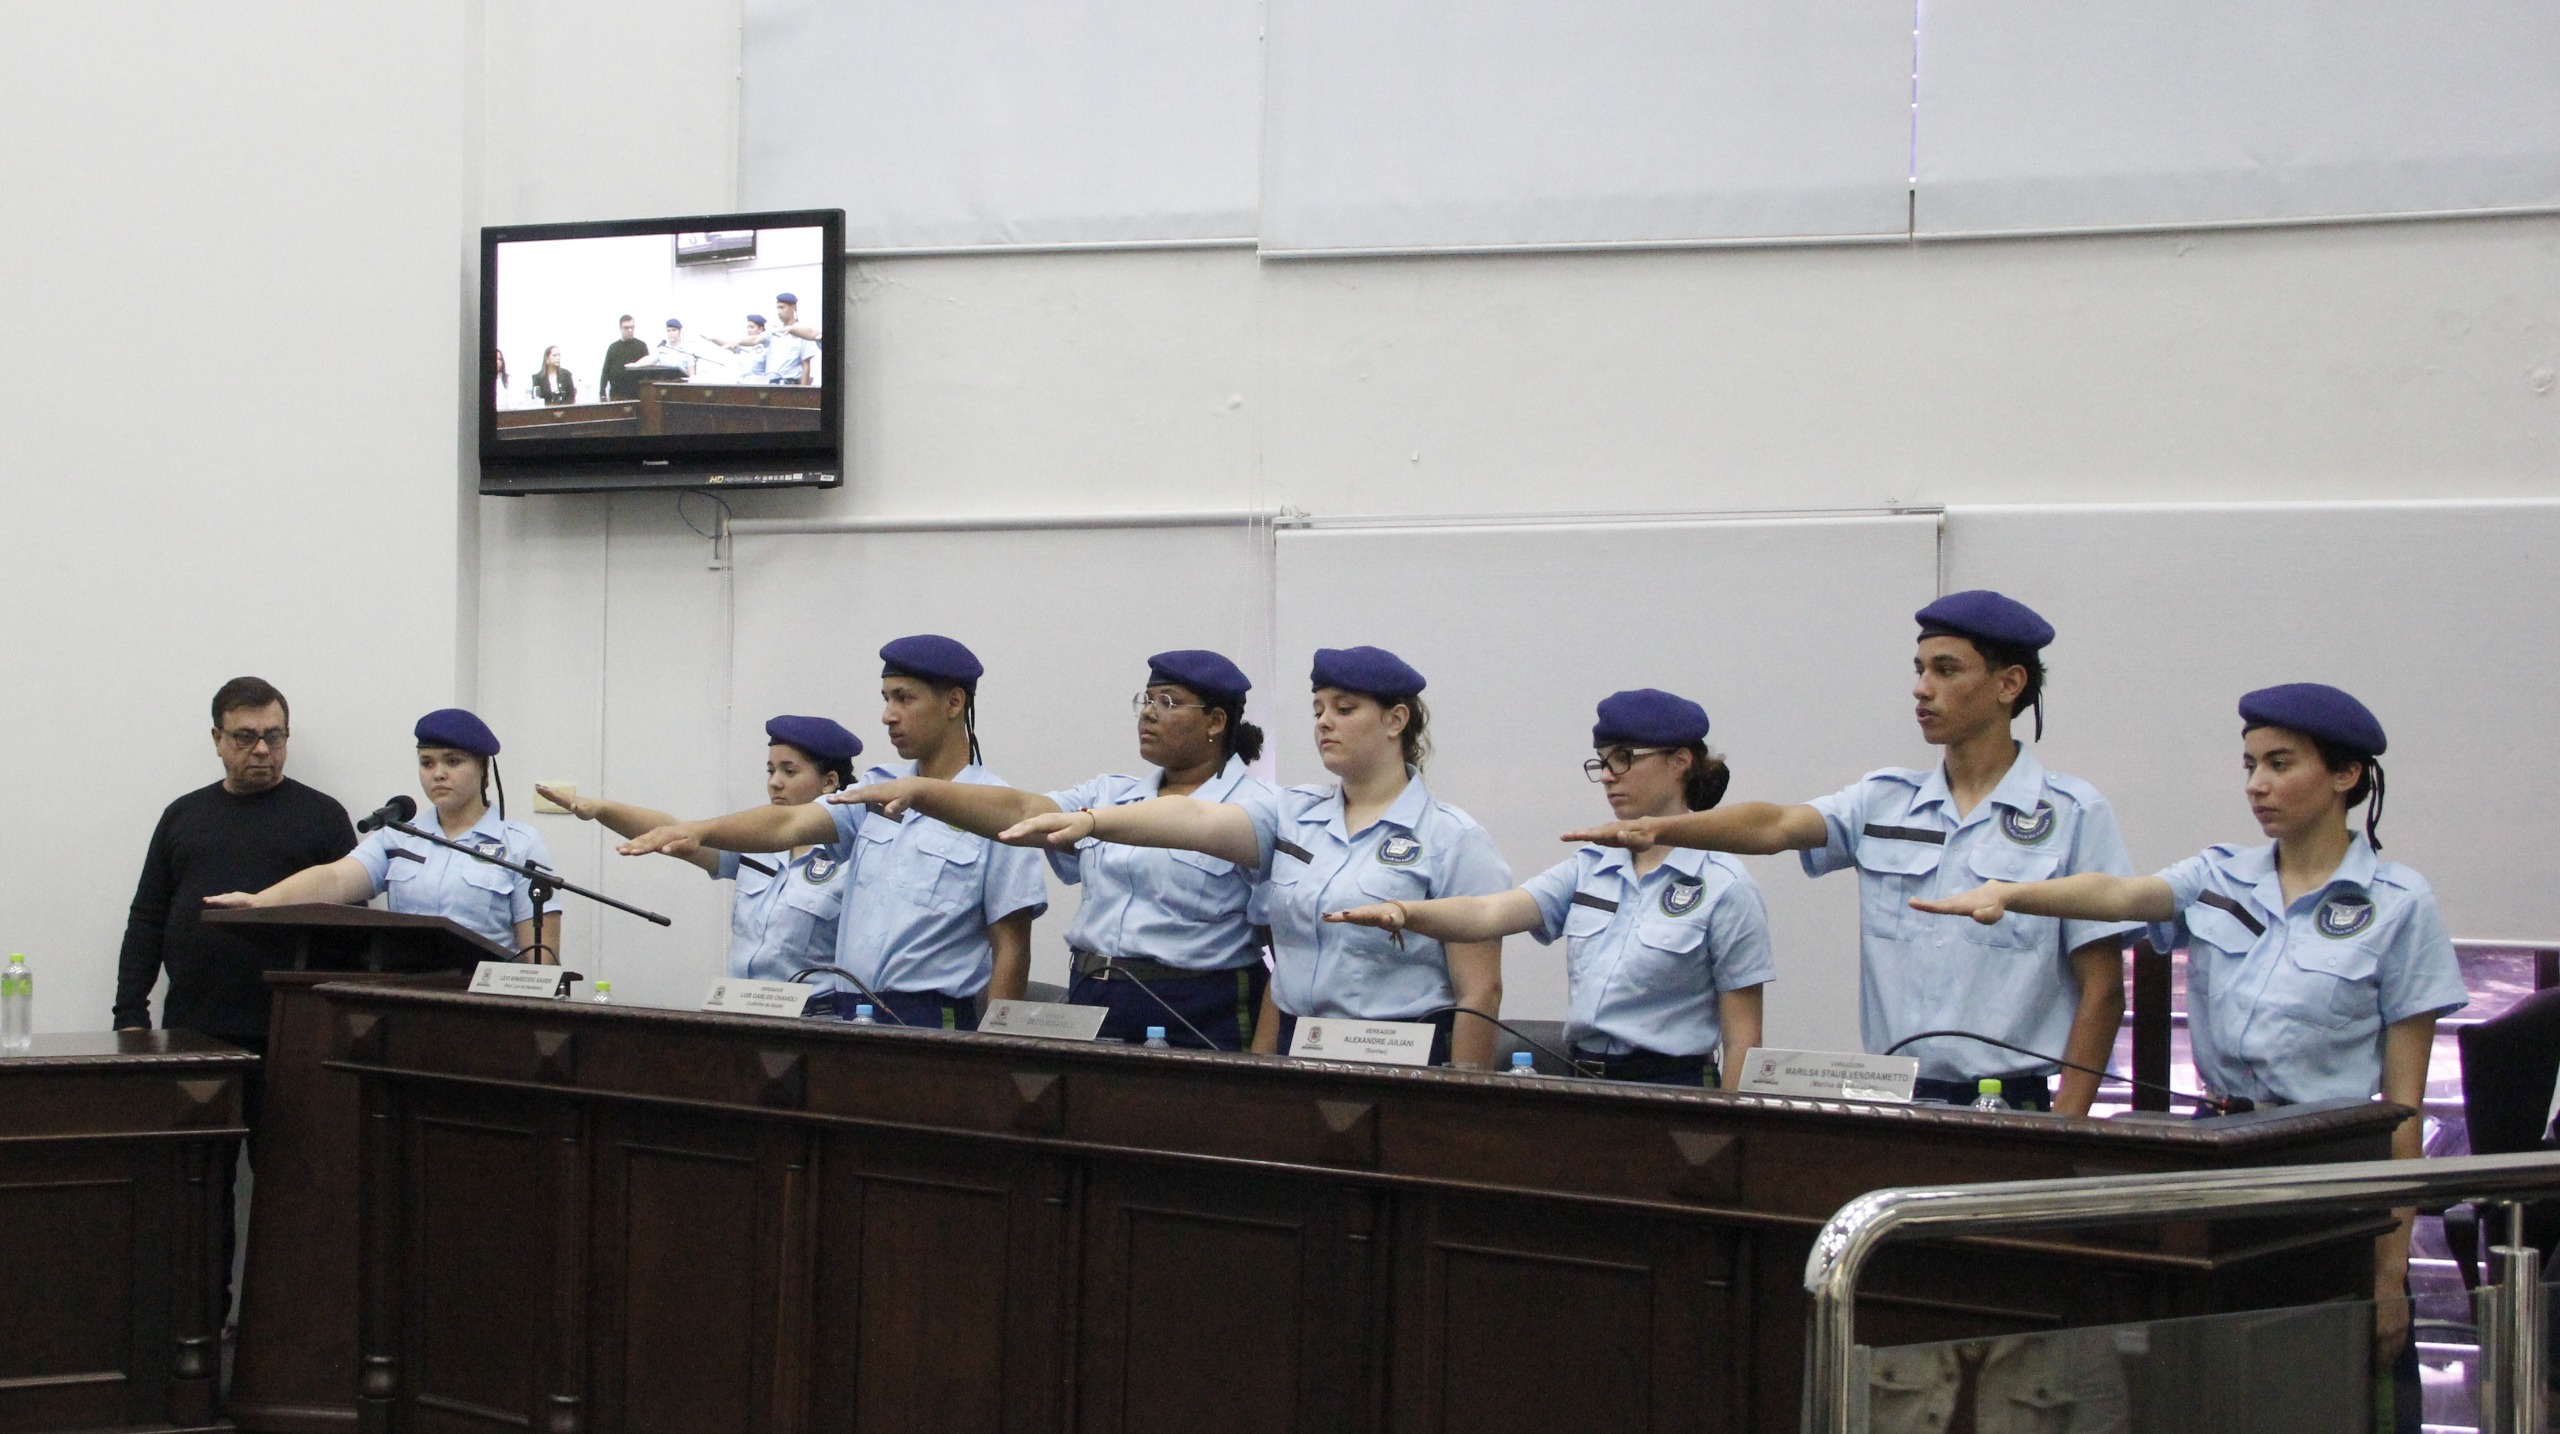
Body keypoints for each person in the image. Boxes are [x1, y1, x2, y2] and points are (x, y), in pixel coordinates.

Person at [1909, 683, 2463, 1407]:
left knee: (2318, 1394)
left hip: (2326, 1173)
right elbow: (2122, 896)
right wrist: (2011, 894)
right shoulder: (2220, 875)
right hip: (2221, 1156)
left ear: (2345, 775)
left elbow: (2404, 1113)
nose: (2256, 784)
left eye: (2280, 764)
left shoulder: (2398, 903)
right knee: (2210, 1391)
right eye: (2249, 765)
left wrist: (2391, 1273)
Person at [1562, 592, 2137, 1115]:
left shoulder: (2072, 814)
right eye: (1919, 670)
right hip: (1891, 1102)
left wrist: (2066, 1125)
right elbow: (1777, 825)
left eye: (1945, 670)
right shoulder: (1885, 801)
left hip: (2011, 1108)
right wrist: (1662, 828)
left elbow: (2103, 989)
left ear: (2008, 684)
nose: (1921, 688)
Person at [998, 646, 1510, 1068]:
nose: (1324, 723)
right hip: (1299, 1043)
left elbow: (1479, 992)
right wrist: (1094, 821)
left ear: (1396, 720)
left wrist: (1461, 1100)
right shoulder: (1291, 814)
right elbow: (1197, 820)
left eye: (1344, 709)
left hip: (1400, 1052)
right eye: (1318, 710)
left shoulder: (1452, 838)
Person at [832, 650, 1279, 1049]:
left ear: (1215, 721)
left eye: (1167, 702)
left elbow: (1282, 946)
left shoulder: (1256, 809)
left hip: (1200, 1005)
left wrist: (1263, 1058)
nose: (1148, 713)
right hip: (1094, 994)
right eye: (1145, 700)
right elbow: (1026, 810)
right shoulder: (1109, 793)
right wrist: (921, 792)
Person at [1326, 689, 1770, 1085]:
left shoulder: (1724, 885)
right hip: (1582, 1081)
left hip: (1674, 1086)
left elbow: (1742, 1038)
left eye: (1624, 758)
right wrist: (1405, 911)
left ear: (1680, 761)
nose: (1608, 775)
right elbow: (1489, 914)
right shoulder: (1590, 867)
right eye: (1602, 761)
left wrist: (1727, 1131)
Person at [619, 637, 1047, 1029]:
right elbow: (790, 823)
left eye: (904, 698)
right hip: (848, 1014)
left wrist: (996, 1046)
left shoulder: (997, 810)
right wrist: (701, 830)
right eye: (886, 699)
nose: (888, 715)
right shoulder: (876, 789)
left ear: (953, 702)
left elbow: (1011, 945)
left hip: (932, 1019)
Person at [112, 677, 360, 1320]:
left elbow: (356, 927)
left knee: (294, 1188)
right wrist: (129, 1014)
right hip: (196, 1034)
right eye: (246, 737)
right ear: (217, 740)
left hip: (294, 1035)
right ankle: (199, 1325)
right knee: (197, 1189)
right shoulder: (184, 816)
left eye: (274, 736)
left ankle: (285, 1337)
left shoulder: (322, 817)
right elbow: (147, 918)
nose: (262, 751)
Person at [205, 709, 559, 959]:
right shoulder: (400, 838)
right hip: (407, 1000)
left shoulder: (519, 844)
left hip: (487, 1008)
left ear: (483, 769)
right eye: (427, 762)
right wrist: (261, 901)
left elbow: (541, 959)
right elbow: (335, 878)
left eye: (453, 761)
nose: (438, 773)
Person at [536, 716, 859, 982]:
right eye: (770, 770)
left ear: (829, 781)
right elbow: (675, 831)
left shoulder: (854, 853)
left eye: (789, 771)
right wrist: (602, 809)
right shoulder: (754, 843)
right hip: (745, 1012)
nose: (775, 782)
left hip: (815, 1018)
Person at [763, 291, 819, 385]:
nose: (779, 312)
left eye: (782, 307)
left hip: (790, 384)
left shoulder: (802, 332)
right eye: (777, 308)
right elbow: (756, 340)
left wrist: (803, 390)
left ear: (793, 307)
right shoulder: (775, 331)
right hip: (772, 383)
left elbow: (806, 365)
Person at [598, 314, 649, 400]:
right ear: (620, 328)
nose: (630, 330)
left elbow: (647, 370)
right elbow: (605, 371)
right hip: (616, 394)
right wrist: (602, 392)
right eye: (626, 328)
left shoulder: (641, 346)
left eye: (632, 327)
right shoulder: (613, 347)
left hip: (637, 394)